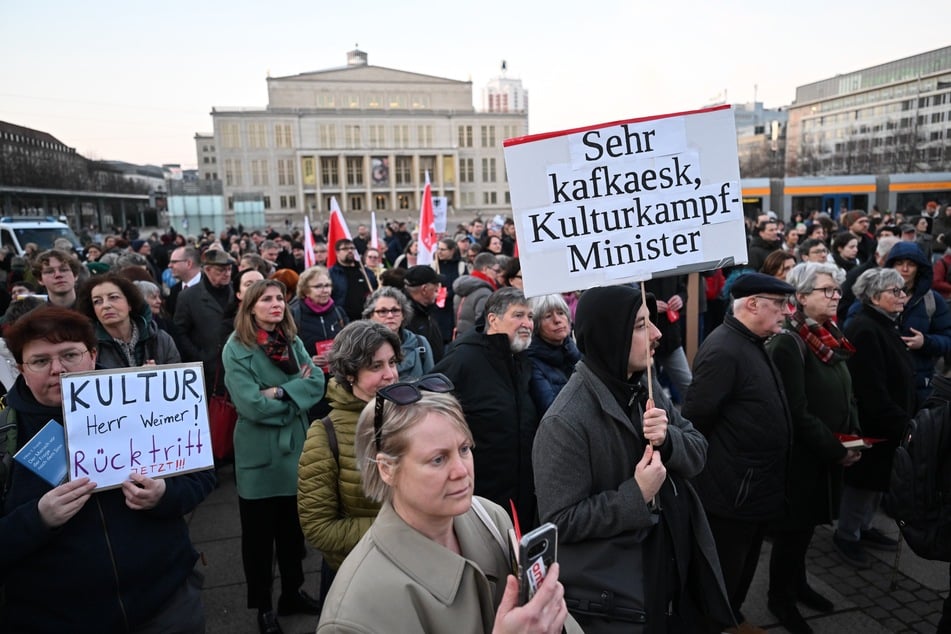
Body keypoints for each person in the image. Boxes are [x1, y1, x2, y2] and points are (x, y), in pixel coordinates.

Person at [0, 306, 214, 632]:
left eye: (70, 355)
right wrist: (37, 519)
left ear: (92, 355)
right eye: (40, 361)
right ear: (21, 370)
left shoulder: (146, 400)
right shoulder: (6, 436)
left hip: (167, 604)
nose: (57, 369)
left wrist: (164, 494)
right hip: (57, 619)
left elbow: (201, 476)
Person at [533, 285, 733, 633]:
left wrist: (668, 440)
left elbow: (699, 452)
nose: (657, 333)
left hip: (675, 562)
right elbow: (560, 522)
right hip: (626, 591)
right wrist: (636, 494)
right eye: (641, 325)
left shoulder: (644, 387)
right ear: (610, 335)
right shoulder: (564, 421)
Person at [317, 386, 573, 634]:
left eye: (464, 449)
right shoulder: (354, 614)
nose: (461, 471)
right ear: (386, 469)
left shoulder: (490, 517)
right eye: (438, 459)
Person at [682, 273, 795, 634]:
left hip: (753, 486)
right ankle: (715, 623)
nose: (786, 312)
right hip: (731, 491)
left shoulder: (750, 341)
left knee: (743, 565)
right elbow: (696, 420)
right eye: (779, 304)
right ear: (752, 304)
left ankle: (731, 617)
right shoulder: (725, 349)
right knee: (725, 569)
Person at [221, 279, 325, 634]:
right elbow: (250, 405)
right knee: (259, 540)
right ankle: (263, 607)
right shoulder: (236, 348)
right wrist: (295, 399)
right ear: (251, 306)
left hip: (295, 448)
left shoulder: (291, 340)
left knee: (293, 533)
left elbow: (317, 383)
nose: (276, 304)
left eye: (280, 298)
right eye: (266, 299)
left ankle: (292, 593)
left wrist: (279, 392)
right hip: (259, 455)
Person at [764, 263, 862, 633]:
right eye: (826, 290)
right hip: (802, 458)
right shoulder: (789, 342)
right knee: (793, 532)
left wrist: (853, 435)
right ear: (802, 297)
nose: (836, 296)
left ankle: (799, 584)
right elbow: (796, 411)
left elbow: (846, 389)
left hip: (826, 451)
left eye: (837, 290)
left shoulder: (829, 334)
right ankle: (780, 599)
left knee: (806, 530)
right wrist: (836, 449)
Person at [297, 320, 400, 608]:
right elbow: (318, 527)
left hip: (410, 566)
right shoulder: (324, 434)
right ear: (350, 373)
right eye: (376, 366)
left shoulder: (409, 416)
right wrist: (400, 527)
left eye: (392, 362)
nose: (390, 374)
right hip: (357, 574)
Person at [434, 288, 539, 529]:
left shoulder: (520, 358)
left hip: (522, 497)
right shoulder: (464, 359)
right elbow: (429, 406)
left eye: (530, 317)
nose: (527, 324)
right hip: (481, 499)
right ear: (493, 319)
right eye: (518, 315)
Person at [835, 268, 916, 569]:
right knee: (863, 481)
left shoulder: (884, 323)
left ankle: (863, 528)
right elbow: (870, 388)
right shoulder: (865, 328)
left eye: (902, 290)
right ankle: (847, 535)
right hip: (873, 424)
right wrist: (901, 422)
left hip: (888, 422)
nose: (903, 296)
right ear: (873, 296)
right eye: (895, 291)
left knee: (878, 480)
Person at [883, 241, 951, 407]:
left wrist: (925, 342)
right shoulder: (875, 295)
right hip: (885, 382)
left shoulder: (932, 300)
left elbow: (947, 338)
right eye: (899, 263)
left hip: (921, 384)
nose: (905, 269)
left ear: (919, 268)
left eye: (911, 264)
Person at [75, 273, 181, 368]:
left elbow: (177, 378)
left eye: (113, 297)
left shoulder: (161, 340)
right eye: (97, 301)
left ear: (130, 303)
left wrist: (159, 375)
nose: (105, 305)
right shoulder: (87, 346)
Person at [289, 265, 348, 417]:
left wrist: (339, 356)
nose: (325, 290)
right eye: (318, 286)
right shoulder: (293, 314)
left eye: (327, 285)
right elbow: (287, 350)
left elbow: (349, 343)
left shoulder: (338, 312)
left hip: (337, 383)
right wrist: (308, 360)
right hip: (309, 385)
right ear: (305, 290)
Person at [174, 248, 236, 392]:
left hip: (235, 366)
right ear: (207, 269)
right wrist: (200, 356)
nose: (227, 273)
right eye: (221, 270)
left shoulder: (236, 292)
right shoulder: (188, 296)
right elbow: (180, 332)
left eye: (229, 269)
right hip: (207, 371)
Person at [526, 293, 580, 415]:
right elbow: (553, 411)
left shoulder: (577, 352)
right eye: (548, 316)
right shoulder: (532, 363)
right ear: (536, 325)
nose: (557, 320)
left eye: (561, 313)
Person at [364, 286, 434, 379]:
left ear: (403, 315)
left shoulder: (420, 343)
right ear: (370, 316)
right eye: (383, 311)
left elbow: (431, 382)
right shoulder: (363, 345)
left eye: (395, 310)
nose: (390, 315)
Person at [402, 265, 446, 363]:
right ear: (424, 289)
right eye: (435, 290)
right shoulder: (404, 318)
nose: (437, 294)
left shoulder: (426, 311)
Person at [452, 252, 501, 337]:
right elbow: (483, 324)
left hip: (461, 338)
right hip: (476, 339)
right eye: (496, 271)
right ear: (485, 269)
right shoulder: (485, 292)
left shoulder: (463, 287)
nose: (497, 275)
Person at [330, 239, 377, 321]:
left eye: (352, 248)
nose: (350, 251)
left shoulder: (366, 273)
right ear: (337, 252)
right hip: (343, 319)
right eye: (345, 248)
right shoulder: (332, 274)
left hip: (366, 319)